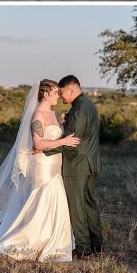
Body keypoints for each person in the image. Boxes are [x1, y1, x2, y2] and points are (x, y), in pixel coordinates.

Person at [0, 80, 80, 260]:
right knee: (42, 200)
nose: (58, 95)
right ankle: (32, 239)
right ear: (47, 94)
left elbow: (53, 134)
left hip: (54, 165)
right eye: (56, 92)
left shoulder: (52, 113)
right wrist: (63, 142)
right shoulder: (38, 116)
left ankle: (52, 240)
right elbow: (39, 143)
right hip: (42, 166)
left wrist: (63, 123)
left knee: (53, 201)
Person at [45, 75, 103, 259]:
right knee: (89, 205)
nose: (61, 97)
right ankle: (97, 246)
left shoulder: (79, 109)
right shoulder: (88, 105)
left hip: (77, 165)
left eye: (62, 92)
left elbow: (72, 142)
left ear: (72, 89)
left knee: (77, 208)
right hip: (90, 162)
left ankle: (84, 249)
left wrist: (44, 150)